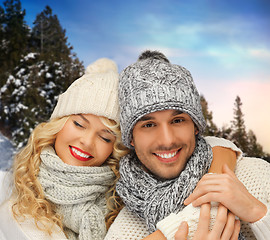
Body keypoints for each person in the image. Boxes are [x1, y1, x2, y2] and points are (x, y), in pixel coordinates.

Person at [105, 50, 270, 240]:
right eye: (149, 125)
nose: (167, 140)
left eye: (178, 120)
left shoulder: (256, 179)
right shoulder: (123, 231)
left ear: (196, 126)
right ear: (131, 138)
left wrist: (259, 214)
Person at [0, 58, 129, 240]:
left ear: (114, 149)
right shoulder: (18, 203)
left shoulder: (124, 205)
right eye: (79, 124)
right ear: (58, 124)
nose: (87, 141)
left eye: (105, 137)